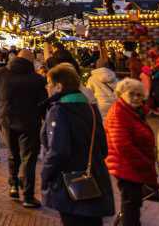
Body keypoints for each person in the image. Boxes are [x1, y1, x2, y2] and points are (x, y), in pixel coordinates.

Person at [39, 64, 114, 224]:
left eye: (49, 83)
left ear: (59, 86)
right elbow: (103, 147)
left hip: (70, 182)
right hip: (94, 178)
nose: (47, 87)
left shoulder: (59, 111)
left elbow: (58, 151)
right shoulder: (90, 107)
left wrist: (45, 174)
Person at [0, 48, 45, 206]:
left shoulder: (0, 73)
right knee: (29, 159)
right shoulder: (37, 79)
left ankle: (13, 184)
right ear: (31, 61)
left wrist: (1, 112)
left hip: (6, 120)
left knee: (13, 153)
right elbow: (42, 103)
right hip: (29, 123)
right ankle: (27, 196)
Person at [105, 78, 158, 226]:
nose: (136, 98)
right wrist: (145, 162)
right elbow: (123, 145)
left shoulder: (132, 111)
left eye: (139, 95)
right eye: (132, 94)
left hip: (131, 165)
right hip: (126, 166)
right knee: (131, 204)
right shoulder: (119, 112)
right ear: (121, 94)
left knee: (133, 202)